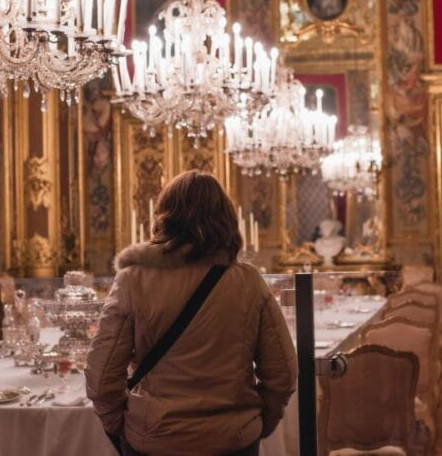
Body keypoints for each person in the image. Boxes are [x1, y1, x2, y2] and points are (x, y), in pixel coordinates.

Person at [86, 170, 298, 456]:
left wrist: (123, 426)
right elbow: (283, 373)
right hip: (232, 438)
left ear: (165, 216)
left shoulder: (134, 279)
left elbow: (101, 379)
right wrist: (259, 424)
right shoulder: (247, 281)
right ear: (226, 217)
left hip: (157, 437)